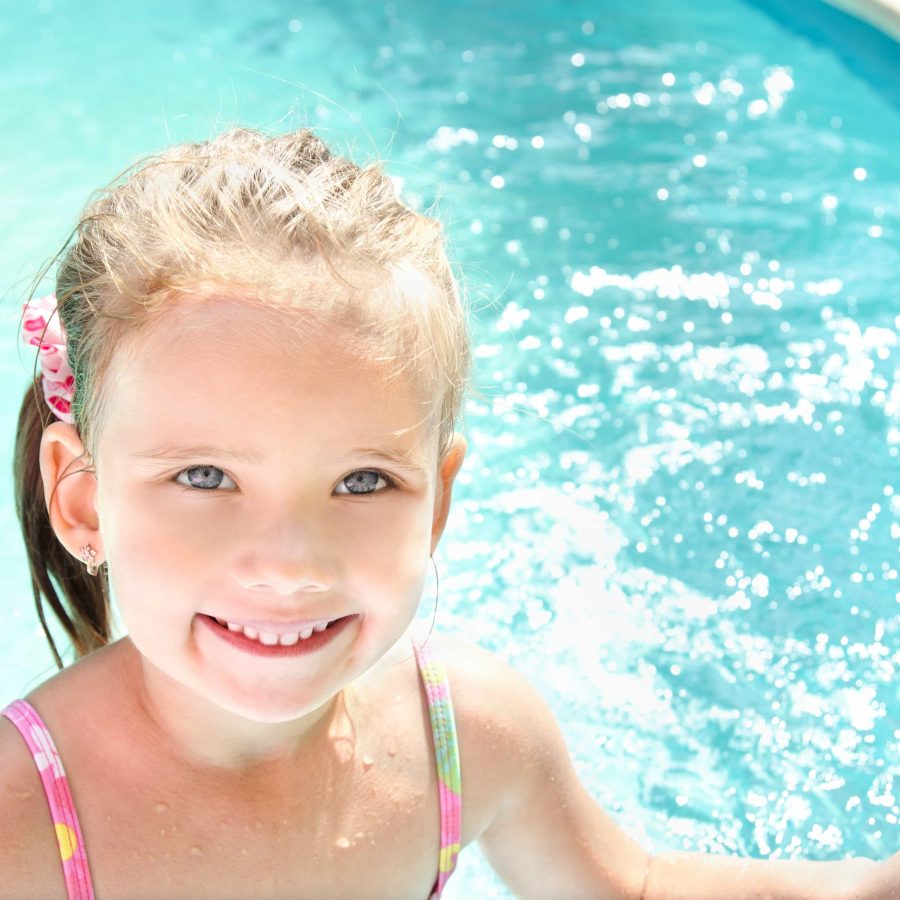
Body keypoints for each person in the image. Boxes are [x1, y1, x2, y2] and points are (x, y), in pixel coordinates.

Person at [0, 127, 895, 900]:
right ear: (83, 499)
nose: (289, 562)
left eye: (362, 483)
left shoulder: (461, 735)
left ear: (438, 503)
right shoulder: (23, 824)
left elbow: (632, 886)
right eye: (204, 476)